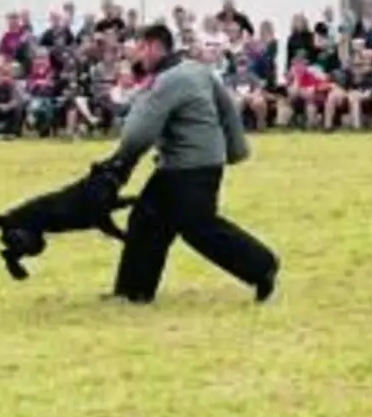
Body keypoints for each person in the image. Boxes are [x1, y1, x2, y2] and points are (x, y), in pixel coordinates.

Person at [97, 24, 280, 304]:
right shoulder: (196, 70)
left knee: (199, 228)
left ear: (155, 47)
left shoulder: (166, 81)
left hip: (189, 167)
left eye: (141, 49)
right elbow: (227, 107)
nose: (137, 57)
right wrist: (235, 149)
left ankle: (262, 265)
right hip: (191, 163)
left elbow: (138, 133)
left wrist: (118, 164)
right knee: (147, 220)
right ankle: (133, 292)